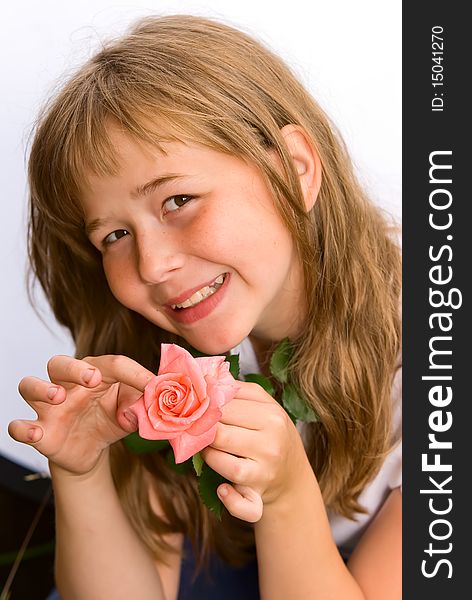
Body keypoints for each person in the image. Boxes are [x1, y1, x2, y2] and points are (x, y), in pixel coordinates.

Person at [8, 14, 402, 600]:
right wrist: (81, 471)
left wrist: (285, 495)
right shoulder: (160, 340)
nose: (150, 266)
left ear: (294, 171)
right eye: (114, 236)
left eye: (178, 200)